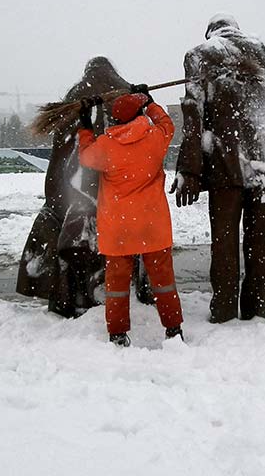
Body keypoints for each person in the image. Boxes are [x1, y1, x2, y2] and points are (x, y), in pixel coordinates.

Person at [172, 14, 265, 323]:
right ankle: (258, 311)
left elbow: (193, 113)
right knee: (260, 244)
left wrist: (190, 170)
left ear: (210, 32)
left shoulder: (199, 55)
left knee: (224, 244)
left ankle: (223, 311)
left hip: (225, 165)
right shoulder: (262, 51)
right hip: (264, 168)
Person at [17, 57, 130, 318]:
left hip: (75, 186)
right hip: (114, 185)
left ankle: (70, 298)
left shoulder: (76, 96)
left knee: (73, 237)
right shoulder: (124, 93)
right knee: (110, 241)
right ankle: (114, 293)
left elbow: (63, 150)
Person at [78, 89, 184, 346]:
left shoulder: (106, 146)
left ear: (115, 120)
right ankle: (173, 329)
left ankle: (117, 334)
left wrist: (85, 123)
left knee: (116, 284)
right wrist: (148, 101)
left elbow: (85, 155)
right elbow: (166, 123)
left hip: (118, 228)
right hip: (152, 224)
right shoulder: (155, 139)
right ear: (139, 115)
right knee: (164, 281)